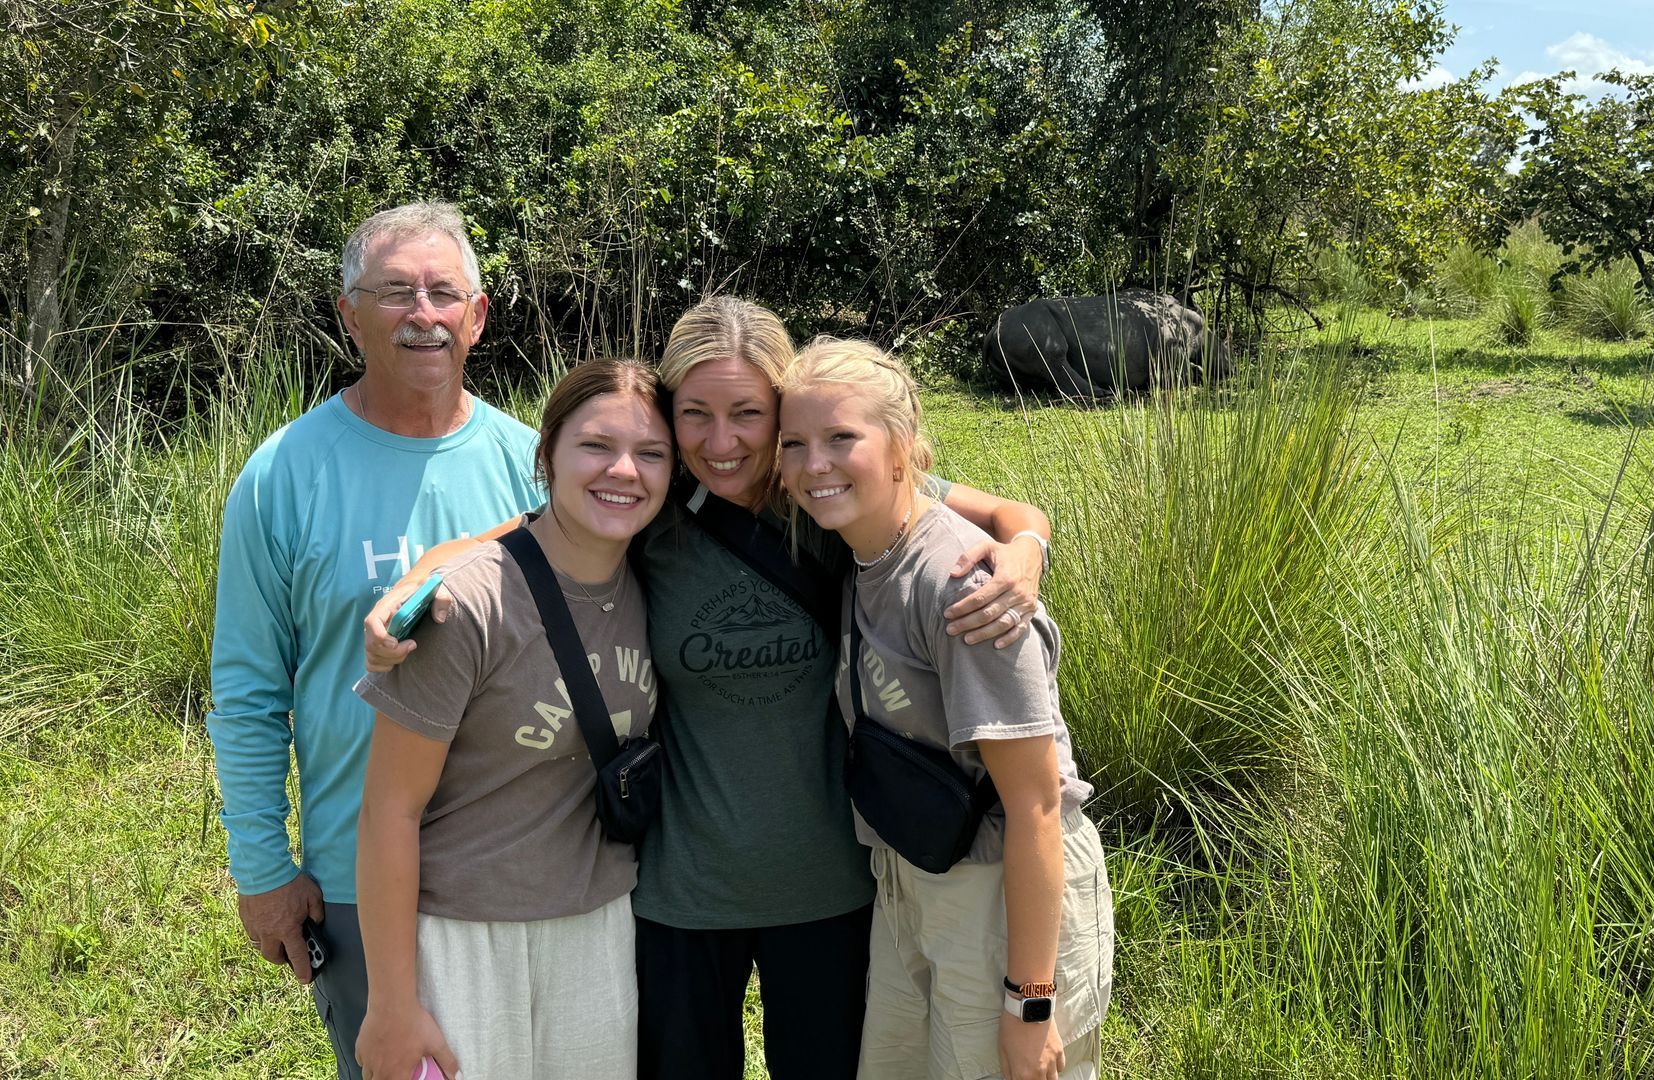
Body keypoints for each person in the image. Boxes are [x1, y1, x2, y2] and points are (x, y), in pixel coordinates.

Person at [365, 295, 1054, 1080]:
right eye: (695, 415)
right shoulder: (651, 510)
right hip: (680, 891)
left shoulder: (824, 498)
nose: (721, 443)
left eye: (749, 415)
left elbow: (996, 512)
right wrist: (424, 571)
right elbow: (522, 536)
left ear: (781, 412)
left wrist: (1028, 543)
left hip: (831, 883)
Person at [206, 201, 542, 1079]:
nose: (421, 314)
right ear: (349, 313)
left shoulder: (536, 464)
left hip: (524, 868)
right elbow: (247, 691)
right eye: (394, 292)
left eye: (442, 292)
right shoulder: (282, 475)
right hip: (357, 879)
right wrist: (262, 869)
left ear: (478, 314)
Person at [777, 338, 1113, 1080]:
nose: (813, 464)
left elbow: (1035, 807)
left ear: (902, 451)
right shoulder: (865, 549)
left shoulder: (964, 589)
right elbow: (1012, 510)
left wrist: (1029, 1002)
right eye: (793, 442)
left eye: (841, 438)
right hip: (914, 876)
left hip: (999, 897)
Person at [352, 359, 670, 1079]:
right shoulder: (464, 606)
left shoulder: (660, 579)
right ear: (546, 452)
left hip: (596, 926)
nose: (623, 470)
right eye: (595, 445)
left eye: (651, 453)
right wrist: (392, 1006)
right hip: (460, 936)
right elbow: (388, 812)